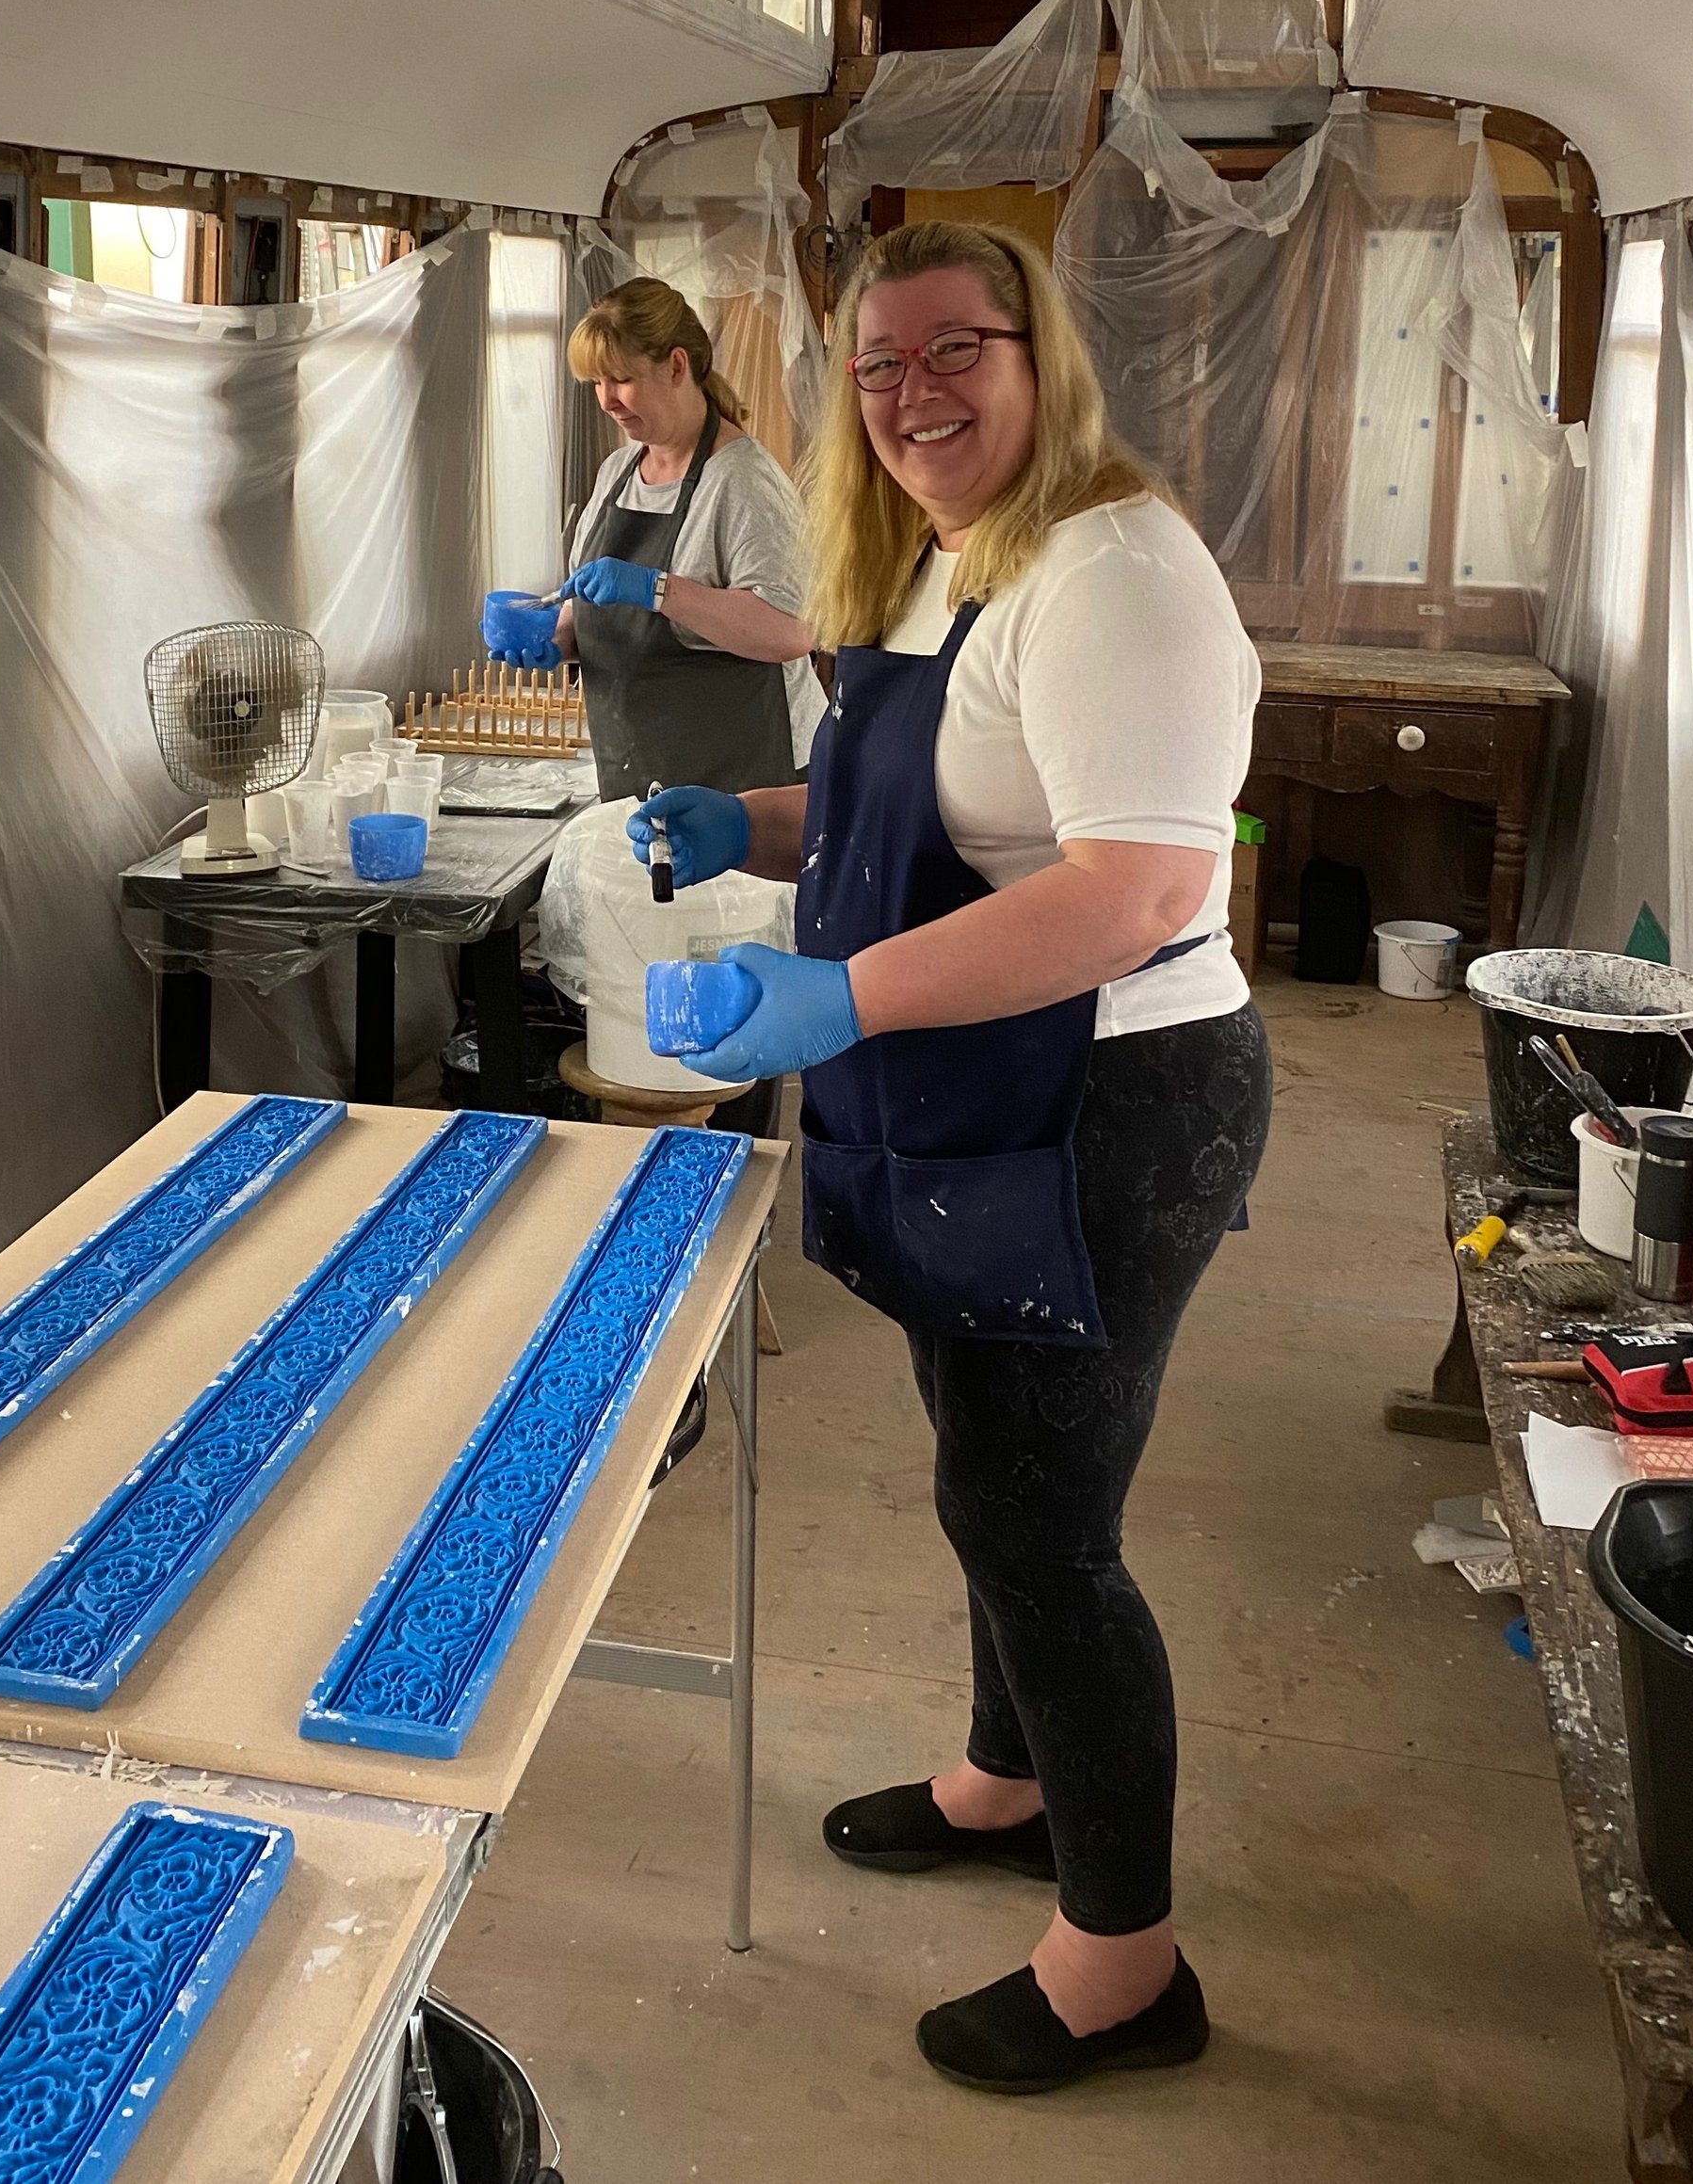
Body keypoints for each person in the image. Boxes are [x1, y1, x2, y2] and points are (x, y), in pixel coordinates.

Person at [630, 219, 1270, 2095]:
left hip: (1102, 1099)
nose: (911, 397)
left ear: (1037, 357)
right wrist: (742, 817)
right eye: (875, 365)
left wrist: (832, 1003)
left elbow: (1134, 888)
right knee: (975, 1448)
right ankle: (1003, 1777)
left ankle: (1121, 1952)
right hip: (964, 1080)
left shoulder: (1114, 574)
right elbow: (921, 795)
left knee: (1038, 1519)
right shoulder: (947, 561)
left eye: (950, 351)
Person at [486, 278, 821, 802]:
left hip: (746, 778)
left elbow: (793, 632)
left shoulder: (741, 480)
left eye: (621, 379)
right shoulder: (618, 471)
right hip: (637, 768)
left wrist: (661, 590)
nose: (607, 401)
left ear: (677, 366)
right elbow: (590, 604)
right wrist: (558, 641)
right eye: (595, 383)